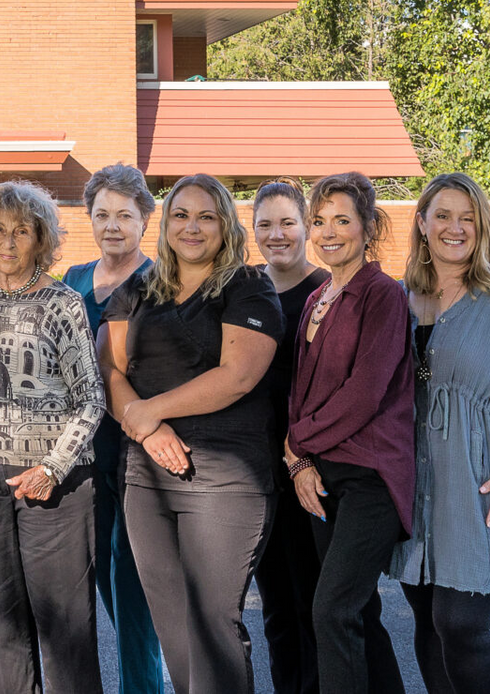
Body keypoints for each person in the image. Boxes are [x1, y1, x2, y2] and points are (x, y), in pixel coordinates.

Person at [102, 174, 282, 694]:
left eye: (206, 215)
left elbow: (238, 375)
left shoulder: (248, 286)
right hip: (146, 480)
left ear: (225, 224)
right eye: (181, 214)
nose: (192, 226)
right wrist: (147, 427)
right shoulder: (139, 288)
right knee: (172, 624)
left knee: (213, 623)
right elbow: (110, 370)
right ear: (166, 223)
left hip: (224, 480)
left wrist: (150, 412)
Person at [390, 173, 490, 694]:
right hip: (410, 479)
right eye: (442, 215)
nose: (454, 228)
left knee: (461, 623)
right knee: (426, 618)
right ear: (421, 222)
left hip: (482, 479)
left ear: (482, 228)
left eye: (468, 218)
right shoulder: (399, 296)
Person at [0, 179, 105, 694]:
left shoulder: (62, 303)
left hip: (53, 484)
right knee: (1, 624)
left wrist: (51, 470)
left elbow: (92, 399)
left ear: (41, 237)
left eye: (22, 230)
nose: (9, 242)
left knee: (64, 628)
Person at [285, 172, 414, 694]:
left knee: (332, 610)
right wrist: (297, 461)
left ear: (368, 227)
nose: (328, 231)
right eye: (319, 221)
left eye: (342, 219)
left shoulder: (383, 295)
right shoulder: (318, 295)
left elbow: (365, 393)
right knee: (359, 613)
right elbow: (299, 388)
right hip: (320, 476)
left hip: (371, 476)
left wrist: (298, 441)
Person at [61, 164, 164, 694]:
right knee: (103, 578)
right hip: (79, 457)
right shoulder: (71, 282)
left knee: (134, 588)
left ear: (145, 219)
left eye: (125, 215)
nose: (113, 226)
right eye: (102, 215)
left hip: (137, 450)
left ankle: (144, 687)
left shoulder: (162, 282)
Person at [249, 180, 328, 694]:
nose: (277, 235)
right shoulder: (245, 288)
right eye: (265, 225)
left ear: (305, 226)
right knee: (277, 604)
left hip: (314, 466)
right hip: (257, 470)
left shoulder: (327, 291)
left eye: (287, 223)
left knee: (320, 605)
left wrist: (303, 457)